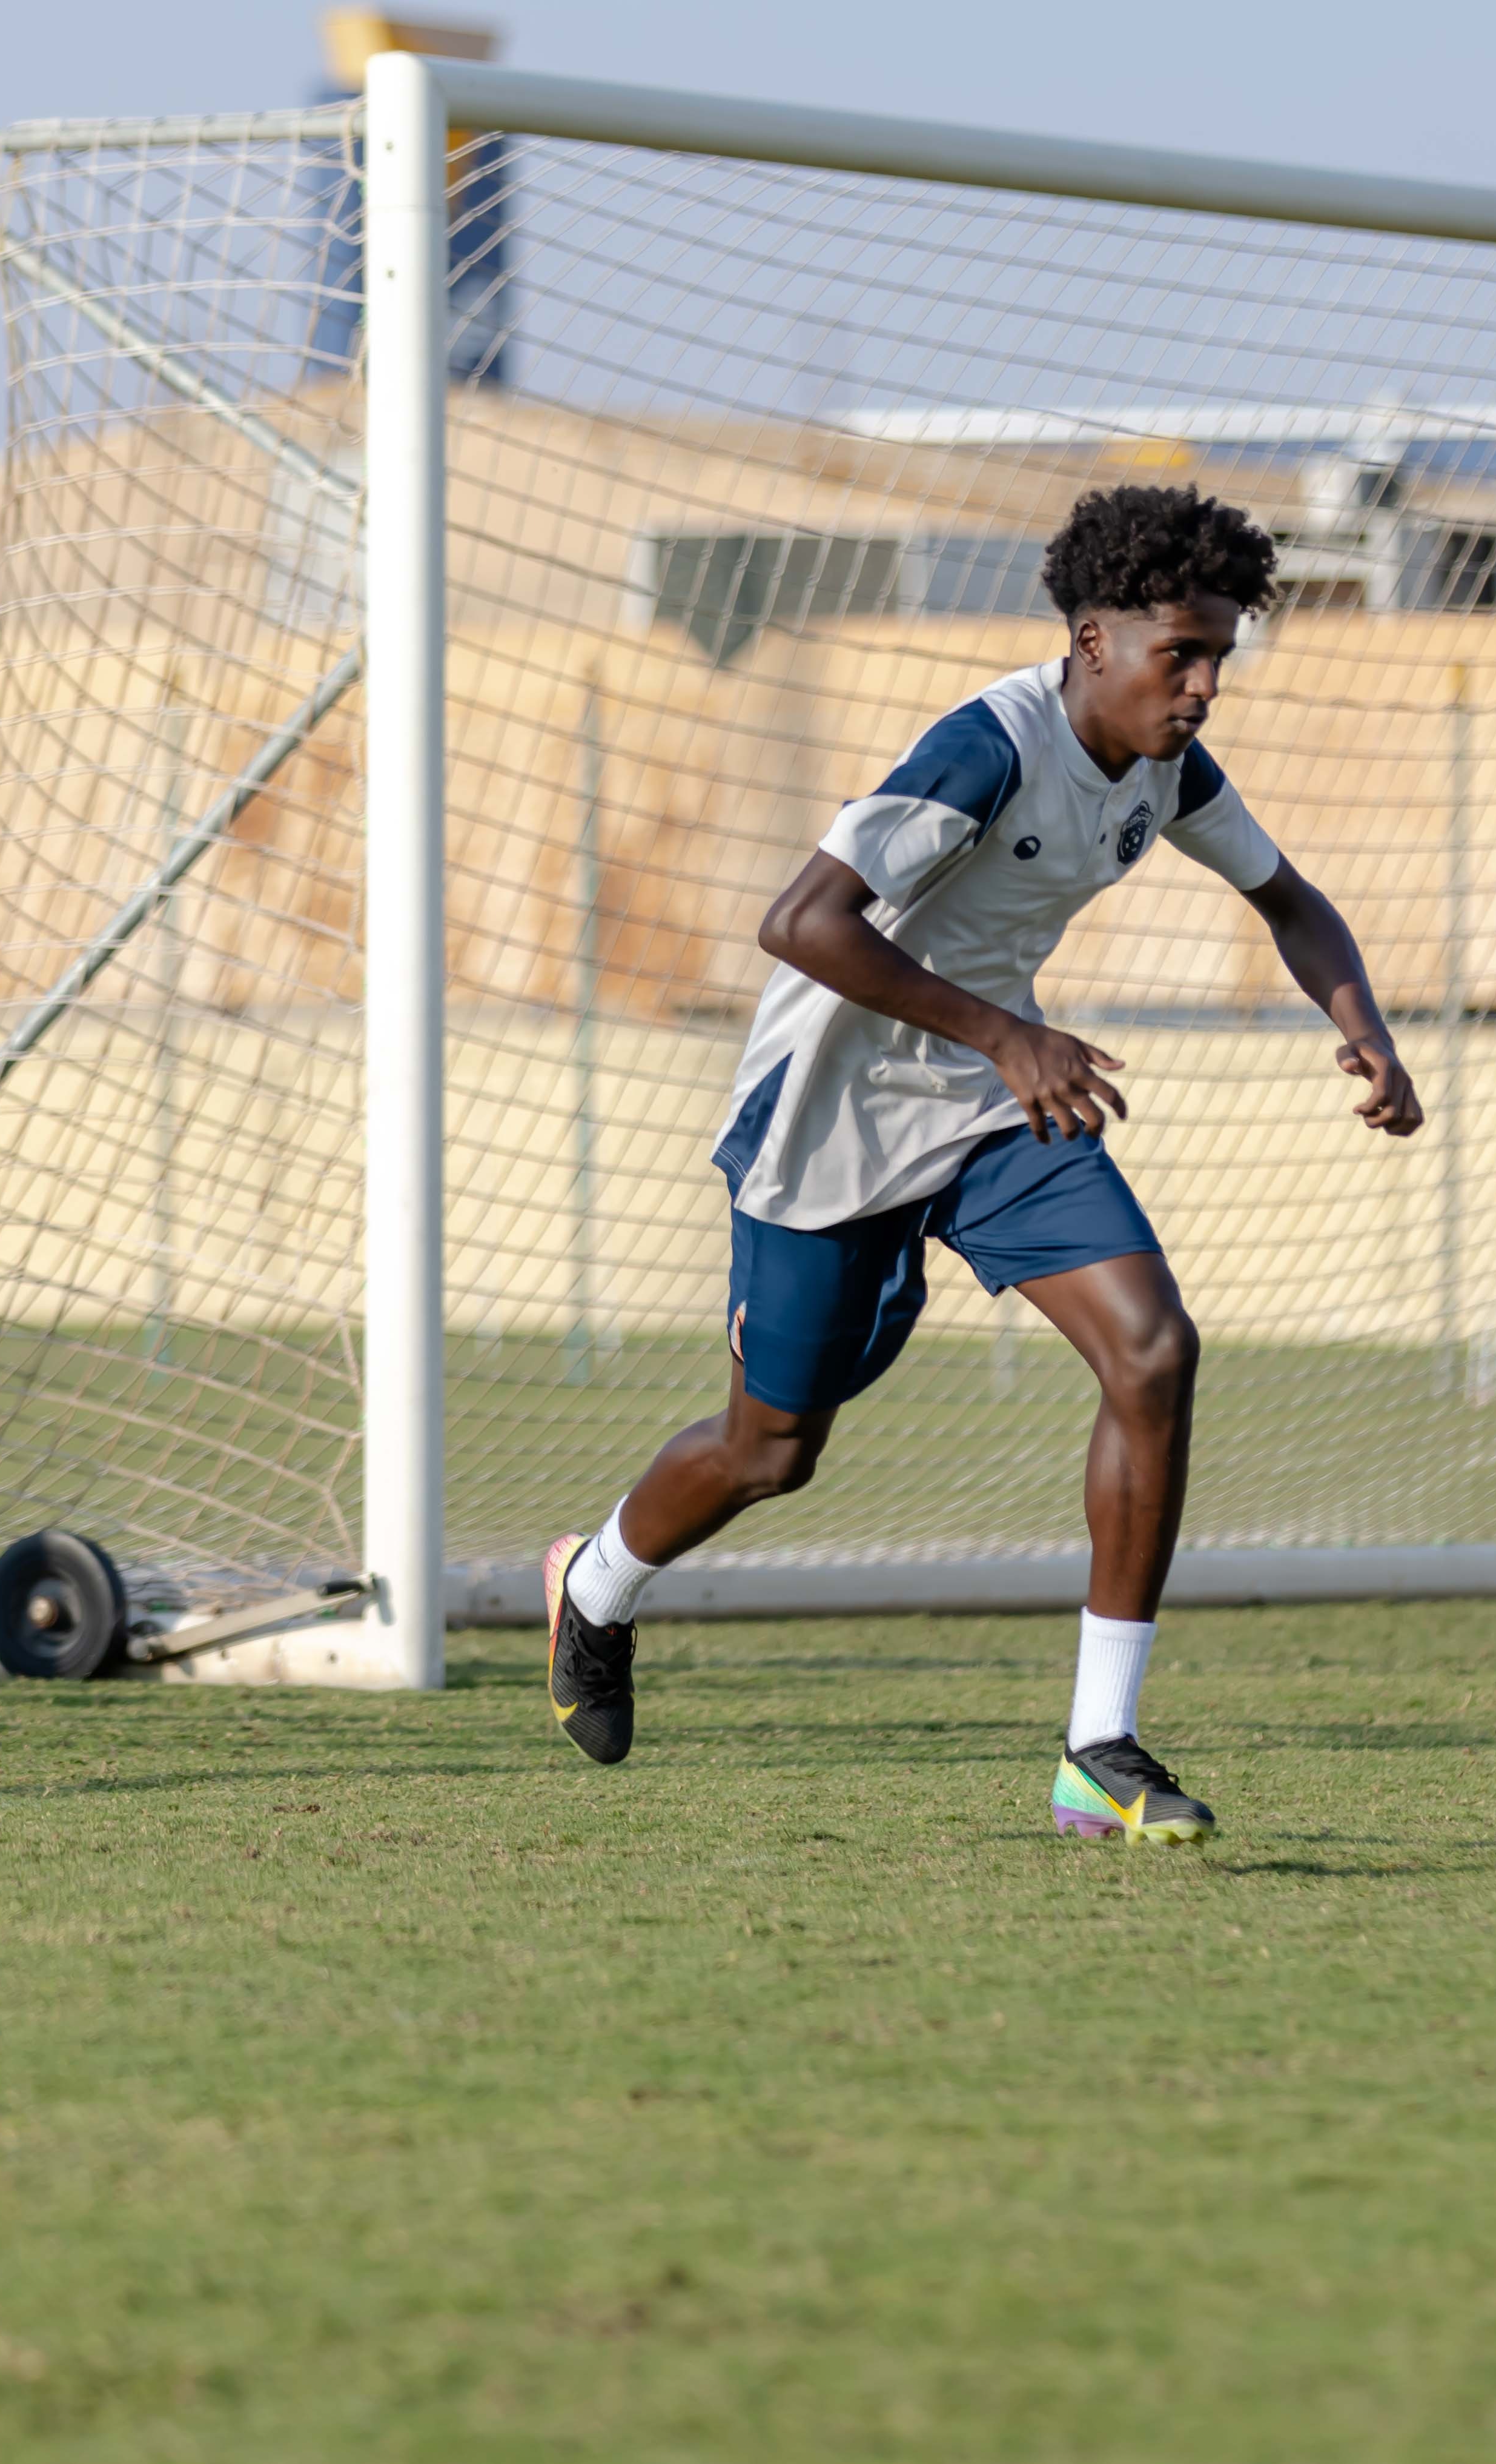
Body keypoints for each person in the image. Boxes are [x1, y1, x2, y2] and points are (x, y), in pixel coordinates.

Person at [537, 485, 1422, 1841]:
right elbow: (801, 924)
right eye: (1175, 656)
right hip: (833, 1107)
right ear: (1089, 641)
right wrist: (1007, 1034)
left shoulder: (1168, 771)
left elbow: (1288, 899)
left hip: (994, 1105)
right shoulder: (985, 748)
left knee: (1153, 1350)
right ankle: (595, 1585)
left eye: (1217, 660)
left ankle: (1097, 1749)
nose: (1199, 691)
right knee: (770, 1450)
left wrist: (1360, 1031)